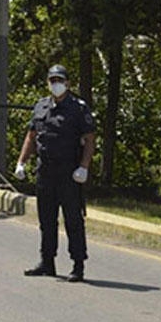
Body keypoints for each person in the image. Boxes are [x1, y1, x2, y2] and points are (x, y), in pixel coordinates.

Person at [14, 64, 95, 282]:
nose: (55, 84)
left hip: (69, 171)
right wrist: (22, 162)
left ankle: (78, 265)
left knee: (73, 220)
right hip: (46, 171)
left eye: (59, 80)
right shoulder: (41, 107)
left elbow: (89, 140)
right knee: (46, 220)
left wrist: (84, 167)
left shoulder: (78, 108)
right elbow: (31, 137)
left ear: (67, 83)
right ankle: (47, 262)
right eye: (52, 80)